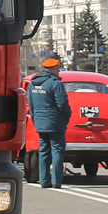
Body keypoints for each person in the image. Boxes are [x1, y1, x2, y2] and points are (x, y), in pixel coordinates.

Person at [27, 57, 71, 188]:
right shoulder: (55, 83)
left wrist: (36, 120)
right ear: (52, 69)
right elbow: (62, 103)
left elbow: (31, 105)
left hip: (40, 122)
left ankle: (44, 181)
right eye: (57, 69)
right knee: (57, 150)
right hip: (55, 122)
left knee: (44, 151)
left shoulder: (33, 84)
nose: (58, 72)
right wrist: (66, 116)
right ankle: (56, 181)